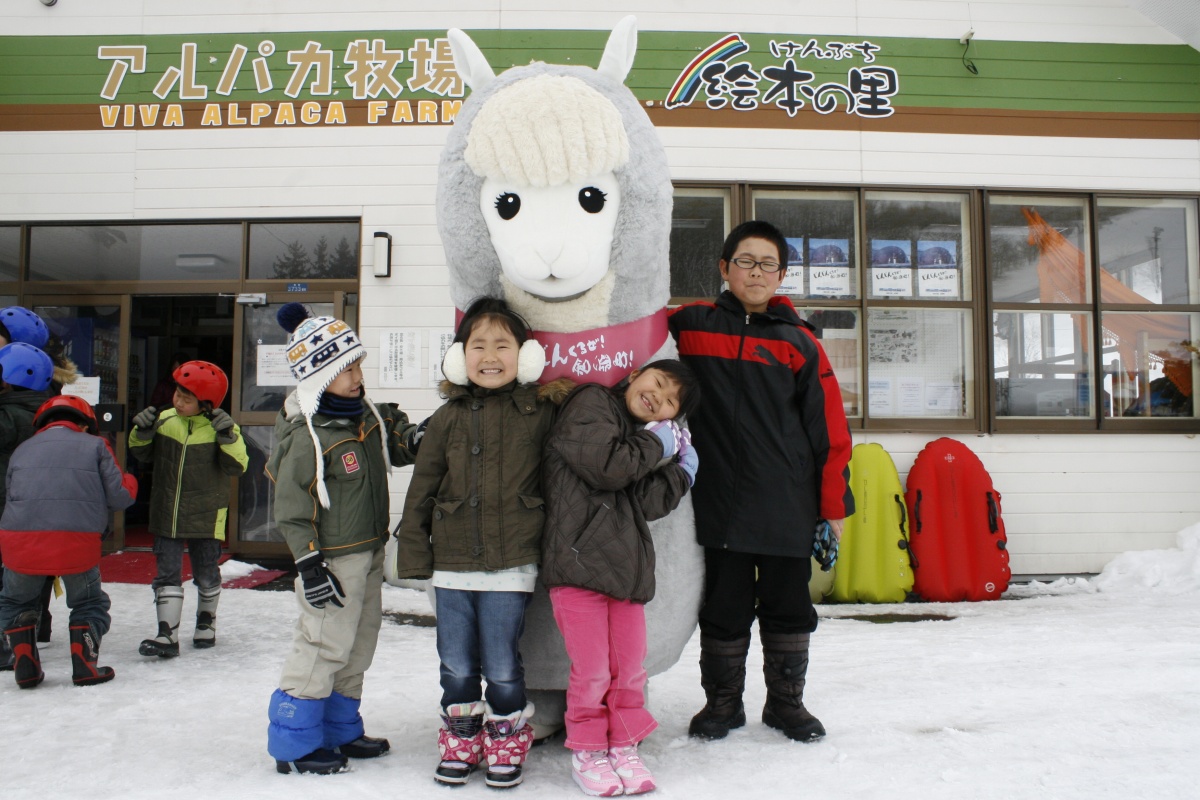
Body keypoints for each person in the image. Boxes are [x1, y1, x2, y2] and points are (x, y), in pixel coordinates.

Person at [668, 220, 855, 744]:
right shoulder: (691, 325)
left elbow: (830, 431)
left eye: (767, 264)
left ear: (781, 274)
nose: (756, 272)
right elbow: (632, 330)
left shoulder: (800, 342)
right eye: (745, 262)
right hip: (718, 500)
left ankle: (786, 704)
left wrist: (832, 507)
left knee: (788, 608)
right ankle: (722, 704)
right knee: (723, 609)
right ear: (724, 268)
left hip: (786, 502)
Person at [394, 296, 571, 789]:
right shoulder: (447, 416)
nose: (490, 356)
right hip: (451, 561)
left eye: (502, 345)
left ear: (526, 355)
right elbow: (422, 487)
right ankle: (461, 739)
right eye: (478, 345)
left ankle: (506, 739)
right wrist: (414, 553)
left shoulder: (542, 412)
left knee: (502, 663)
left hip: (513, 562)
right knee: (454, 663)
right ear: (459, 356)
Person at [265, 302, 421, 776]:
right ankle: (294, 742)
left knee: (359, 643)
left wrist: (417, 439)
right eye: (345, 370)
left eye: (357, 365)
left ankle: (338, 729)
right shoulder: (308, 435)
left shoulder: (363, 417)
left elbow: (396, 441)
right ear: (318, 377)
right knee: (323, 643)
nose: (357, 377)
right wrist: (309, 565)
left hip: (368, 550)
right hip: (331, 561)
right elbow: (292, 507)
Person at [541, 359, 700, 797]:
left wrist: (681, 473)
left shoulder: (637, 440)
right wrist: (657, 443)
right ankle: (589, 751)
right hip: (577, 565)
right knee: (592, 672)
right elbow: (607, 467)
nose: (658, 397)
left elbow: (642, 502)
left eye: (671, 401)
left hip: (627, 570)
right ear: (635, 376)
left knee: (629, 671)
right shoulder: (591, 403)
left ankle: (624, 746)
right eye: (658, 383)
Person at [0, 395, 137, 688]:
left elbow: (10, 494)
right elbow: (120, 496)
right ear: (85, 425)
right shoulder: (96, 445)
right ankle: (85, 666)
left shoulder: (23, 449)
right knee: (89, 602)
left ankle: (25, 666)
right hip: (76, 539)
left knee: (16, 602)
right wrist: (132, 480)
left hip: (20, 540)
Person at [127, 360, 249, 658]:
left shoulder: (223, 427)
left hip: (206, 514)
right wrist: (141, 431)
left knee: (206, 572)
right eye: (177, 395)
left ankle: (206, 622)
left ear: (206, 403)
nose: (178, 402)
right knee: (167, 573)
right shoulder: (165, 419)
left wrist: (228, 438)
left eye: (186, 398)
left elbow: (238, 466)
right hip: (167, 511)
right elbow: (141, 454)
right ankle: (166, 635)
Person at [0, 342, 55, 672]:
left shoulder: (8, 417)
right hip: (34, 510)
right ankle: (28, 635)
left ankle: (8, 646)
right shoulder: (45, 414)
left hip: (6, 508)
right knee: (25, 577)